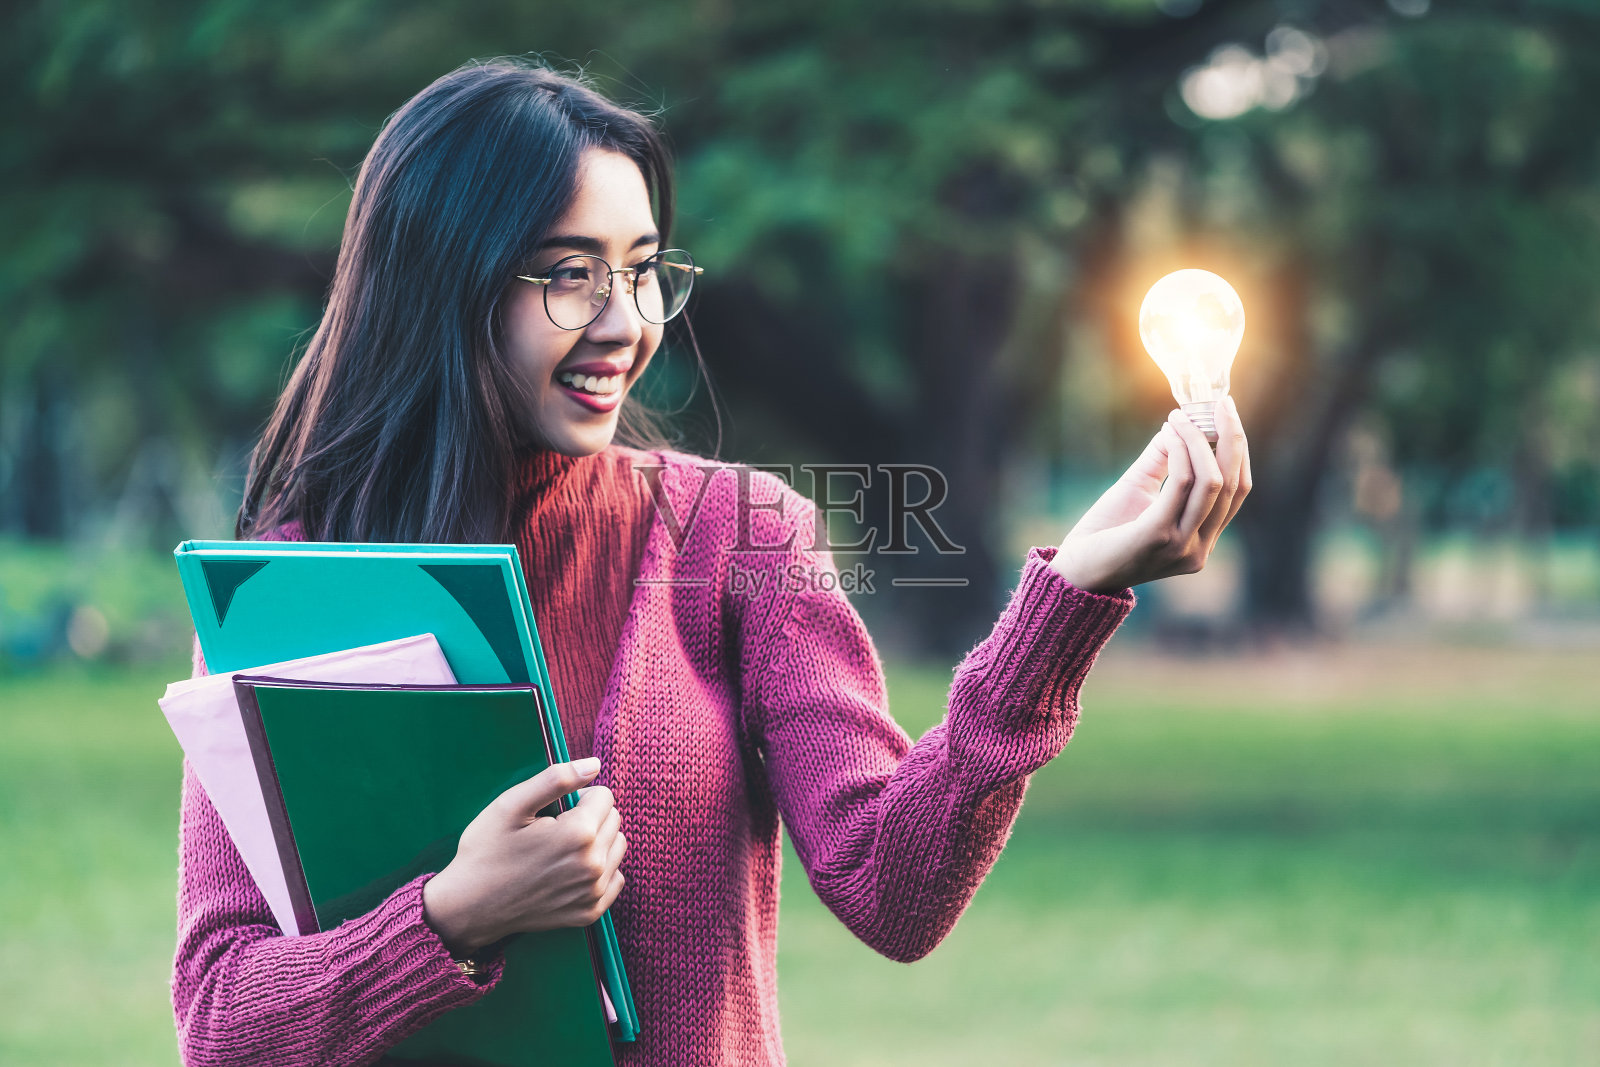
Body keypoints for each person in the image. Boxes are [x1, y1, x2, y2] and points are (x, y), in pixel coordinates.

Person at [171, 60, 1251, 1067]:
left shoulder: (739, 534)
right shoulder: (290, 582)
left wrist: (1063, 606)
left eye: (643, 271)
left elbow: (894, 887)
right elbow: (221, 1018)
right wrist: (451, 914)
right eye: (568, 275)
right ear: (444, 285)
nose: (626, 322)